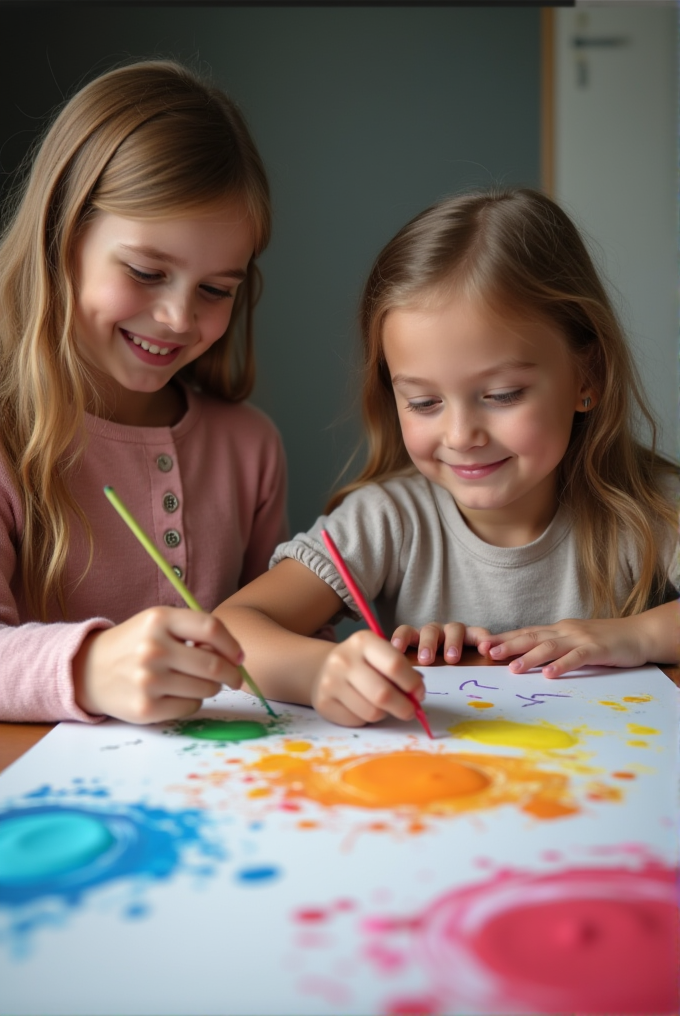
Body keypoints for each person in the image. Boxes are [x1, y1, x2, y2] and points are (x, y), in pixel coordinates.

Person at [215, 188, 679, 729]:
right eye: (424, 402)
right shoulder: (387, 519)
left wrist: (634, 635)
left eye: (503, 394)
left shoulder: (650, 505)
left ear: (587, 377)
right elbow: (235, 627)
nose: (461, 435)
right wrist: (321, 671)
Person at [0, 61, 288, 724]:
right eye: (146, 271)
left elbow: (270, 636)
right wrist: (91, 668)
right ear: (60, 239)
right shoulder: (10, 441)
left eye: (216, 290)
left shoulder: (250, 447)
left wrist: (327, 664)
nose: (179, 318)